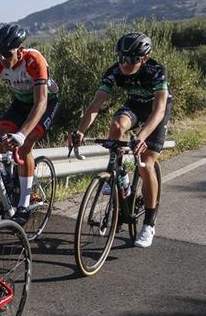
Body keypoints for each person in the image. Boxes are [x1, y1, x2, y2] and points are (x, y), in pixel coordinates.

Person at [68, 32, 169, 248]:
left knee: (146, 163)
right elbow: (96, 104)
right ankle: (119, 175)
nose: (124, 63)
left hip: (156, 111)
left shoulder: (156, 70)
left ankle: (149, 224)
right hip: (135, 105)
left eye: (131, 59)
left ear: (144, 58)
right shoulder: (115, 71)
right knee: (116, 126)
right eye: (121, 58)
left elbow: (159, 109)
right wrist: (80, 131)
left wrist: (141, 137)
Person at [0, 23, 60, 225]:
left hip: (45, 104)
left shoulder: (34, 60)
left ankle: (24, 205)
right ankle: (9, 187)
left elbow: (41, 103)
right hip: (20, 103)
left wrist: (22, 134)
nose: (1, 59)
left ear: (20, 50)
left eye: (7, 54)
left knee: (25, 147)